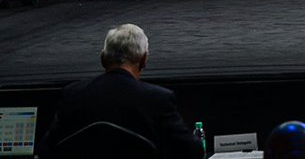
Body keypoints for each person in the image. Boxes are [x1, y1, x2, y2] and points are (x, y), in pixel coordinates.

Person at [40, 23, 204, 159]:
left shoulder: (72, 94)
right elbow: (193, 151)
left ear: (103, 59)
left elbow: (45, 150)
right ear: (144, 59)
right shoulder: (158, 99)